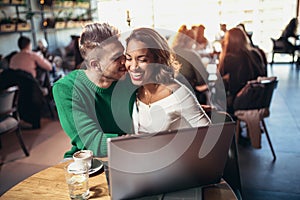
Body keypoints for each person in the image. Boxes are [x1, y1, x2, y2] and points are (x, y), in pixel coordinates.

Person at [52, 22, 136, 159]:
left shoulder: (131, 78)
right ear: (95, 65)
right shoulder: (65, 89)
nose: (125, 62)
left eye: (124, 54)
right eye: (116, 58)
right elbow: (92, 142)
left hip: (131, 152)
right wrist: (139, 142)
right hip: (90, 160)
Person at [124, 27, 211, 134]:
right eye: (128, 58)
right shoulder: (135, 91)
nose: (133, 67)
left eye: (142, 60)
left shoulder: (177, 94)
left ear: (158, 60)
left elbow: (210, 135)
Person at [218, 27, 266, 115]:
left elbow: (220, 78)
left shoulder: (229, 58)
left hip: (240, 102)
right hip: (260, 100)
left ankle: (224, 126)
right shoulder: (256, 54)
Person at [171, 26, 209, 104]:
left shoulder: (169, 53)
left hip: (171, 96)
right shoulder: (192, 55)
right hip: (189, 96)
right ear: (191, 40)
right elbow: (203, 79)